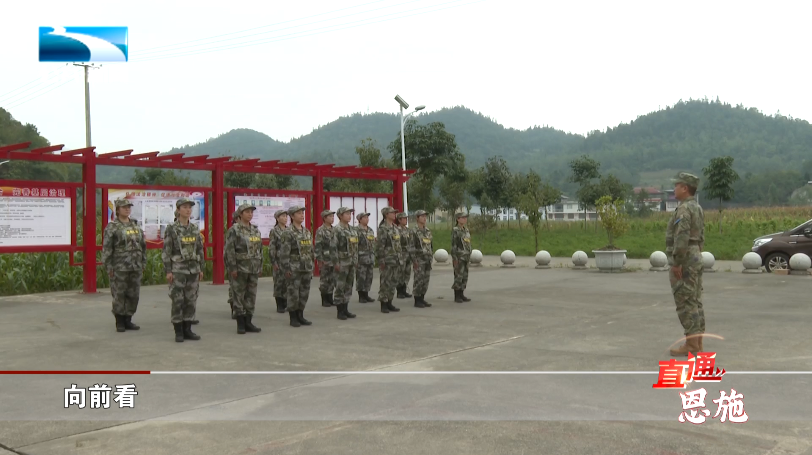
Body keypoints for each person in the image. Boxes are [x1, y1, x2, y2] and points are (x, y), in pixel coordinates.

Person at [666, 172, 706, 356]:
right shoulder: (697, 207)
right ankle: (698, 343)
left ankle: (691, 344)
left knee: (685, 301)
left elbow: (681, 237)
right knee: (695, 301)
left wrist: (677, 262)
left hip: (686, 258)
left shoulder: (684, 209)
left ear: (685, 188)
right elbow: (701, 236)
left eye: (677, 185)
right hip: (695, 254)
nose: (674, 188)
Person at [162, 198, 204, 343]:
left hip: (193, 270)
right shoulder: (172, 229)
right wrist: (168, 270)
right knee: (178, 300)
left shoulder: (194, 228)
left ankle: (188, 329)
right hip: (178, 270)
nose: (188, 210)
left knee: (191, 300)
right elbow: (166, 251)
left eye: (190, 207)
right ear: (178, 210)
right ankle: (178, 331)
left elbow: (199, 249)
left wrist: (201, 268)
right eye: (185, 207)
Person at [102, 198, 146, 332]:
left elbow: (143, 246)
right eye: (124, 207)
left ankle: (128, 319)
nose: (127, 209)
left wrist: (143, 262)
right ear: (118, 209)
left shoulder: (135, 226)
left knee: (133, 294)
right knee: (119, 294)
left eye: (129, 207)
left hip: (135, 266)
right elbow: (107, 248)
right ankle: (120, 321)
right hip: (119, 266)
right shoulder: (112, 227)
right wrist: (109, 266)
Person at [225, 203, 263, 335]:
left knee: (251, 295)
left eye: (251, 212)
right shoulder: (234, 230)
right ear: (240, 214)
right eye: (247, 212)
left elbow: (259, 249)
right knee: (239, 295)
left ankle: (249, 321)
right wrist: (232, 268)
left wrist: (260, 265)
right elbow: (229, 250)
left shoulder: (255, 230)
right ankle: (240, 323)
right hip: (240, 268)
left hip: (253, 268)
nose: (250, 214)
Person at [279, 205, 314, 327]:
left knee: (304, 293)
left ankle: (300, 315)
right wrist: (286, 268)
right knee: (293, 293)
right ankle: (293, 317)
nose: (302, 215)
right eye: (299, 213)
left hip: (306, 267)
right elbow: (284, 253)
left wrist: (312, 265)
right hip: (294, 268)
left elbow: (311, 250)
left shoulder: (307, 232)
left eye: (302, 213)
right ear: (292, 216)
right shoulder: (288, 232)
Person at [330, 207, 359, 320]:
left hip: (351, 262)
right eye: (346, 214)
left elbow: (355, 247)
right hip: (342, 262)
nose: (349, 215)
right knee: (340, 286)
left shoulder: (352, 229)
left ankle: (345, 308)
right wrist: (336, 263)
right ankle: (340, 311)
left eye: (350, 213)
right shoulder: (336, 230)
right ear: (340, 216)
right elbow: (333, 248)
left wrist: (356, 260)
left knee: (348, 286)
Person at [375, 206, 402, 313]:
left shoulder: (395, 228)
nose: (394, 214)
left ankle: (390, 302)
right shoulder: (383, 229)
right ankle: (384, 303)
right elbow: (380, 246)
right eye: (392, 212)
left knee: (393, 282)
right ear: (386, 215)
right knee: (385, 282)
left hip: (396, 259)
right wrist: (381, 260)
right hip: (387, 260)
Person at [410, 209, 433, 308]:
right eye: (422, 216)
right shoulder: (414, 231)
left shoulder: (427, 231)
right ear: (417, 218)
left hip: (427, 259)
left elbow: (430, 245)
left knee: (425, 280)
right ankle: (417, 300)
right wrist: (414, 260)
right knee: (418, 280)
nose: (424, 218)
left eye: (425, 216)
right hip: (419, 259)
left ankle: (422, 298)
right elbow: (411, 247)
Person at [315, 209, 336, 307]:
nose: (332, 218)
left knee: (332, 279)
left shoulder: (334, 229)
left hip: (333, 258)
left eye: (333, 216)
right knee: (324, 280)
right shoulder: (321, 230)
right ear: (324, 218)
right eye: (330, 216)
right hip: (325, 258)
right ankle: (324, 299)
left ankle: (330, 297)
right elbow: (318, 245)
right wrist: (319, 259)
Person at [269, 209, 289, 313]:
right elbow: (272, 247)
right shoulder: (274, 231)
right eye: (283, 216)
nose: (285, 218)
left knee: (287, 282)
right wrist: (274, 262)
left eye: (286, 216)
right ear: (277, 218)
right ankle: (279, 304)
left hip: (288, 261)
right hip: (279, 260)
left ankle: (286, 303)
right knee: (279, 283)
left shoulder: (289, 230)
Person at [451, 212, 472, 303]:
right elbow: (454, 245)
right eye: (462, 218)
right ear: (458, 219)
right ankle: (457, 295)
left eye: (465, 218)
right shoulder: (456, 230)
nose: (464, 219)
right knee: (458, 276)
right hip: (459, 257)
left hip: (466, 256)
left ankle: (462, 293)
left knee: (464, 276)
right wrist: (455, 258)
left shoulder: (466, 230)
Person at [355, 212, 376, 303]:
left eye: (367, 217)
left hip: (370, 257)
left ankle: (366, 294)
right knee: (361, 277)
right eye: (365, 217)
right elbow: (354, 246)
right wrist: (355, 259)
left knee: (369, 277)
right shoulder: (356, 230)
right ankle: (361, 296)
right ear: (360, 219)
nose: (367, 219)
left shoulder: (370, 230)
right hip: (361, 258)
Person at [396, 212, 413, 299]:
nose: (406, 220)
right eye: (404, 218)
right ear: (399, 220)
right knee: (400, 273)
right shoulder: (397, 230)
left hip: (408, 254)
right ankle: (399, 291)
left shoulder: (408, 230)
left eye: (406, 218)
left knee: (407, 272)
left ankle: (404, 289)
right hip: (401, 254)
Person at [227, 209, 239, 320]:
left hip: (246, 265)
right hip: (234, 264)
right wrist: (231, 266)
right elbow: (229, 250)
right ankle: (234, 308)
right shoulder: (232, 231)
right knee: (234, 287)